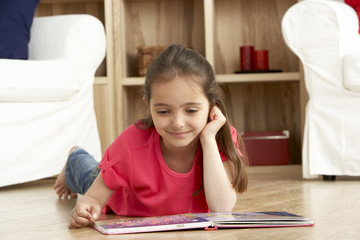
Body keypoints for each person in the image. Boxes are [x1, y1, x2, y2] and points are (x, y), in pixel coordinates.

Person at [53, 44, 248, 229]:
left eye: (191, 110)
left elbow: (221, 209)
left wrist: (208, 139)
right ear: (148, 104)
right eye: (164, 112)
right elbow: (94, 199)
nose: (178, 123)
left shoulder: (219, 136)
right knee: (89, 175)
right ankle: (75, 157)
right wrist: (86, 206)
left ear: (212, 105)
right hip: (118, 197)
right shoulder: (131, 144)